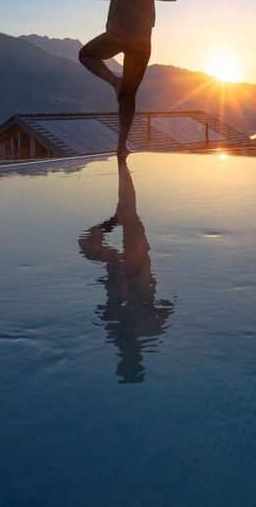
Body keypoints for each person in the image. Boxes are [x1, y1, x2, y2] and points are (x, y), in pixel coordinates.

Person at [79, 0, 177, 156]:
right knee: (129, 94)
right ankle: (121, 146)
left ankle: (114, 82)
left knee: (86, 55)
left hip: (117, 34)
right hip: (141, 41)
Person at [78, 158, 174, 383]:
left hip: (124, 273)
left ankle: (117, 215)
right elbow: (167, 306)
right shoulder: (147, 333)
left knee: (124, 222)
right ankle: (118, 212)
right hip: (133, 272)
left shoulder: (127, 334)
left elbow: (105, 311)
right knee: (129, 220)